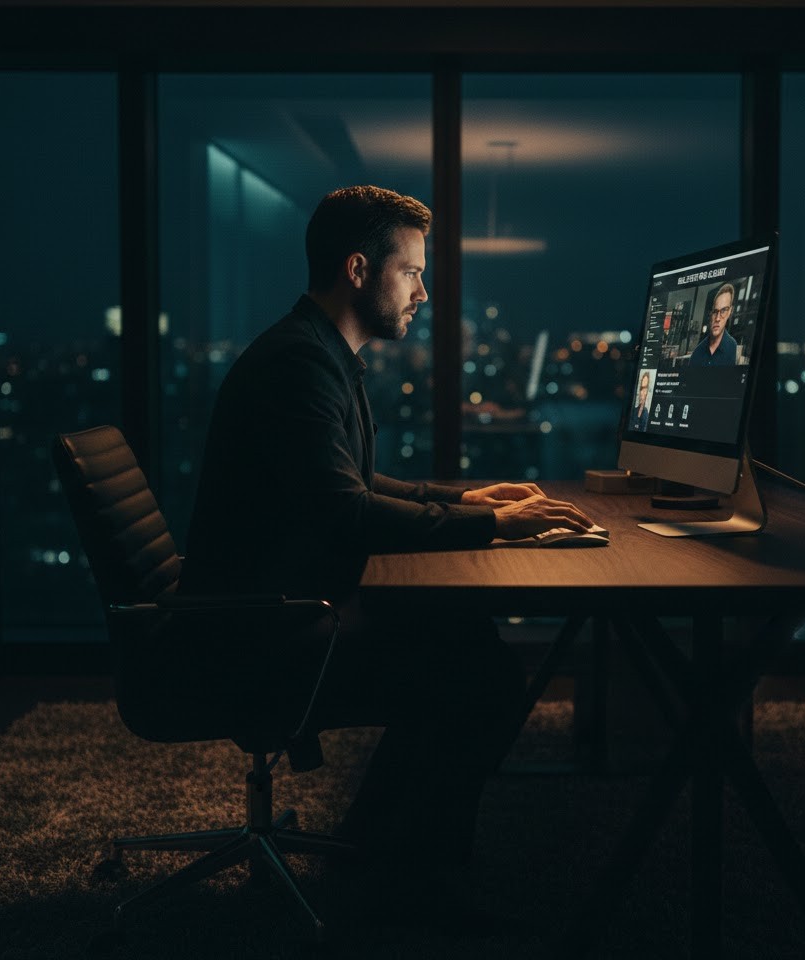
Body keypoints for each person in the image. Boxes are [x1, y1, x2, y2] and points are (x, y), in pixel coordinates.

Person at [181, 185, 595, 919]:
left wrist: (467, 502)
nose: (424, 292)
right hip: (261, 632)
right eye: (411, 272)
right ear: (358, 270)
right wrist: (498, 529)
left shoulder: (315, 352)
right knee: (481, 677)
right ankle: (407, 881)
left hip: (279, 605)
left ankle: (383, 851)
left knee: (464, 643)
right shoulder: (300, 366)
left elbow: (351, 479)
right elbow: (345, 510)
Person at [688, 281, 738, 365]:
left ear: (730, 311)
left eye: (723, 310)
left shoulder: (732, 346)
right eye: (715, 311)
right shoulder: (697, 352)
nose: (718, 318)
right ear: (710, 314)